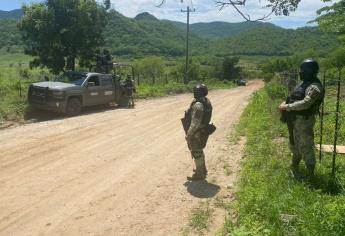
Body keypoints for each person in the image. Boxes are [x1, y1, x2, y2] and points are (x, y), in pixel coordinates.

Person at [279, 59, 325, 178]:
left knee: (305, 146)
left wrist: (287, 107)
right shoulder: (304, 83)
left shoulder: (315, 87)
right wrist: (287, 102)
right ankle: (294, 167)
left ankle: (311, 175)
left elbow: (306, 103)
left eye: (303, 71)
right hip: (294, 120)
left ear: (309, 71)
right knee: (293, 143)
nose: (300, 73)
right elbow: (295, 96)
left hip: (303, 120)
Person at [184, 84, 214, 181]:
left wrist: (189, 134)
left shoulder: (198, 104)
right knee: (199, 150)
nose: (195, 93)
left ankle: (199, 174)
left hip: (197, 131)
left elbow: (195, 122)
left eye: (196, 92)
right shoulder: (206, 101)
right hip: (203, 129)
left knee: (196, 150)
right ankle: (202, 170)